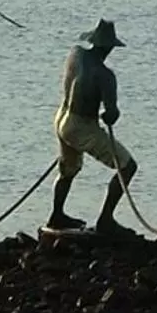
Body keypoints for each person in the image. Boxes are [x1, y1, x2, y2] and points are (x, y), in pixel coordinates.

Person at [48, 19, 137, 235]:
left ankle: (56, 215)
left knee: (68, 168)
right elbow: (111, 114)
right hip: (81, 125)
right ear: (109, 48)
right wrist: (110, 114)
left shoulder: (75, 54)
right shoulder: (105, 75)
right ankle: (106, 219)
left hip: (61, 118)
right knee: (127, 167)